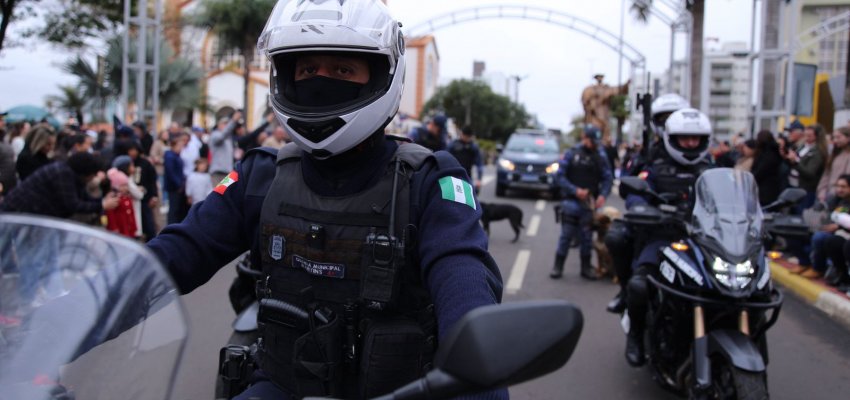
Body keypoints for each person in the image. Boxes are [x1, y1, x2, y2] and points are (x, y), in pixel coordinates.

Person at [146, 1, 504, 399]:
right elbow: (176, 254)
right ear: (286, 76)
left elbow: (464, 277)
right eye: (307, 70)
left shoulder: (429, 181)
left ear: (381, 76)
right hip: (282, 387)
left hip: (402, 392)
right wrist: (79, 308)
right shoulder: (260, 175)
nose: (320, 81)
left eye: (343, 70)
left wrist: (480, 361)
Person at [605, 108, 713, 366]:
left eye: (695, 139)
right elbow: (635, 191)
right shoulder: (657, 167)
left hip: (705, 242)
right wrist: (641, 206)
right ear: (672, 138)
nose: (690, 143)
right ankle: (635, 336)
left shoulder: (712, 168)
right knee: (639, 285)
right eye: (684, 138)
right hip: (665, 238)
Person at [550, 124, 612, 280]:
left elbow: (607, 178)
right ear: (585, 137)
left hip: (589, 205)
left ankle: (586, 268)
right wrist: (575, 190)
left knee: (586, 238)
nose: (594, 145)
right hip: (571, 202)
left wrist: (602, 195)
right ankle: (558, 266)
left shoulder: (600, 156)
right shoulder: (572, 154)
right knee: (566, 236)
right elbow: (559, 176)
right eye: (592, 141)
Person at [1, 151, 118, 217]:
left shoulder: (70, 173)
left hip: (32, 215)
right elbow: (73, 204)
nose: (94, 177)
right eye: (93, 174)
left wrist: (102, 201)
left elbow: (83, 197)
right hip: (19, 213)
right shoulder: (63, 174)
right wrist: (102, 205)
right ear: (85, 172)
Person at [784, 124, 827, 211]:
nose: (806, 138)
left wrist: (795, 161)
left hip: (806, 188)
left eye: (809, 136)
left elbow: (810, 173)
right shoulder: (802, 146)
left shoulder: (817, 151)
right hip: (794, 184)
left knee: (802, 212)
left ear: (817, 137)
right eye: (805, 135)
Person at [751, 130, 784, 206]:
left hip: (765, 191)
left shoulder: (768, 155)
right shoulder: (773, 152)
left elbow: (760, 172)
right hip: (768, 189)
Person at [817, 127, 850, 202]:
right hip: (828, 193)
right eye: (834, 137)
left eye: (838, 137)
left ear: (848, 138)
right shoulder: (835, 154)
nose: (835, 140)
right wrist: (822, 190)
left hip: (841, 196)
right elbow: (826, 174)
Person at [105, 166, 139, 238]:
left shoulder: (128, 198)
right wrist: (114, 228)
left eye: (126, 185)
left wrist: (134, 226)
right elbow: (111, 215)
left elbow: (132, 213)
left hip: (129, 227)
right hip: (120, 228)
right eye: (122, 185)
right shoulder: (114, 199)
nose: (125, 188)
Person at [447, 126, 484, 191]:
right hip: (452, 175)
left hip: (466, 176)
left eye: (468, 137)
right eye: (465, 136)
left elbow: (479, 164)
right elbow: (445, 158)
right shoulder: (453, 145)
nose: (466, 138)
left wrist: (479, 179)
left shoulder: (473, 147)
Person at [209, 113, 240, 185]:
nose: (228, 126)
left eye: (228, 123)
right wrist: (233, 121)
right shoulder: (215, 134)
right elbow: (222, 135)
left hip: (228, 173)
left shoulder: (228, 138)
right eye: (225, 123)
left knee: (225, 195)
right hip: (218, 172)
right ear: (219, 125)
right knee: (218, 195)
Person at [163, 133, 187, 225]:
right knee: (173, 209)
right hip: (174, 187)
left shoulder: (176, 156)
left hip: (178, 186)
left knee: (177, 209)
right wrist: (179, 184)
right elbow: (171, 172)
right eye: (180, 145)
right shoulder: (170, 156)